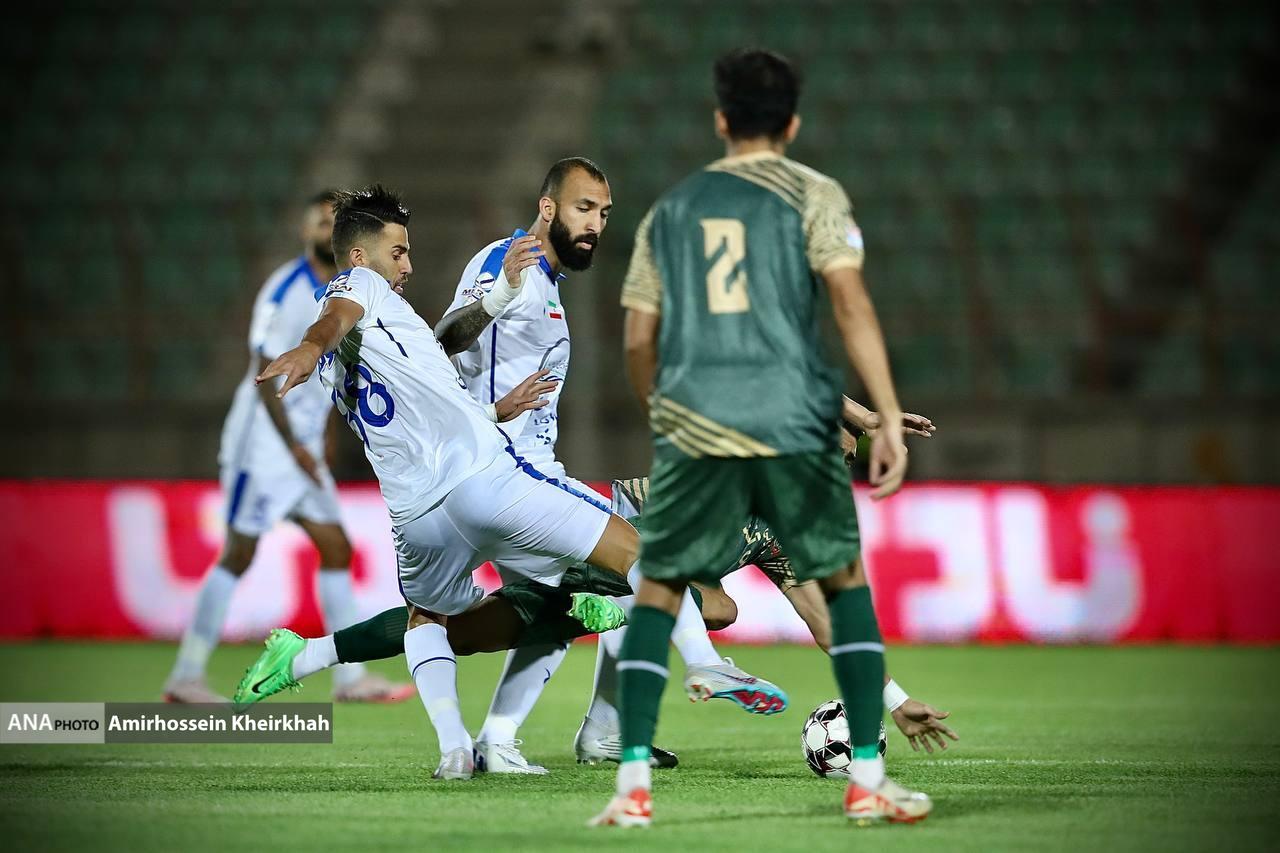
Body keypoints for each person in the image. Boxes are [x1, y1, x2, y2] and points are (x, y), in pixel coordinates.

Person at [591, 49, 932, 827]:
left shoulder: (671, 210)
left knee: (657, 592)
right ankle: (868, 781)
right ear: (794, 123)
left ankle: (631, 788)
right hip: (791, 426)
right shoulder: (814, 193)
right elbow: (849, 305)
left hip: (698, 426)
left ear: (720, 120)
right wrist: (881, 414)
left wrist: (665, 416)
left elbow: (639, 338)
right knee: (843, 590)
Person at [232, 412, 958, 761]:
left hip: (611, 575)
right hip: (580, 530)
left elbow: (828, 622)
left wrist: (894, 701)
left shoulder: (784, 532)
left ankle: (303, 655)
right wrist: (860, 412)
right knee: (715, 603)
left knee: (467, 631)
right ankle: (611, 670)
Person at [257, 185, 646, 781]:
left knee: (429, 621)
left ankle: (455, 749)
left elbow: (416, 412)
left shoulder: (372, 341)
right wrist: (310, 346)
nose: (408, 266)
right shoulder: (359, 287)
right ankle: (688, 672)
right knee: (629, 569)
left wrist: (492, 411)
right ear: (360, 256)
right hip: (479, 481)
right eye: (398, 252)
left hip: (414, 514)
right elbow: (334, 318)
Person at [432, 157, 783, 775]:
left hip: (506, 474)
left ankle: (507, 739)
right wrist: (497, 296)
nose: (595, 223)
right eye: (583, 208)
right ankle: (704, 664)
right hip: (508, 473)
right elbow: (447, 338)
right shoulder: (507, 263)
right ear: (548, 209)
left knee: (561, 611)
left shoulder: (548, 283)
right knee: (640, 555)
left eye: (603, 212)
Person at [162, 190, 410, 705]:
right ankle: (185, 676)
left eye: (332, 223)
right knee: (239, 552)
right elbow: (264, 371)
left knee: (336, 548)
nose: (325, 229)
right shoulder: (286, 288)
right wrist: (295, 445)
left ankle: (350, 679)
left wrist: (320, 439)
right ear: (305, 231)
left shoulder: (344, 292)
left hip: (303, 449)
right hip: (263, 448)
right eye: (318, 221)